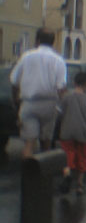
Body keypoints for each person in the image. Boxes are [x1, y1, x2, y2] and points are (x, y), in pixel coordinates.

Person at [10, 28, 67, 158]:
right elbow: (61, 88)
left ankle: (28, 174)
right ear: (53, 42)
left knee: (29, 144)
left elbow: (14, 81)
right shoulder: (59, 60)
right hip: (49, 104)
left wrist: (16, 102)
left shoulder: (26, 57)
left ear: (37, 40)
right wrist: (61, 107)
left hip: (29, 104)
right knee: (46, 142)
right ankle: (43, 174)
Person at [58, 71, 86, 195]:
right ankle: (79, 186)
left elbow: (60, 112)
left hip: (67, 131)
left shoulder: (66, 97)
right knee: (82, 158)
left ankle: (67, 173)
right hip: (83, 133)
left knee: (67, 155)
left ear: (74, 83)